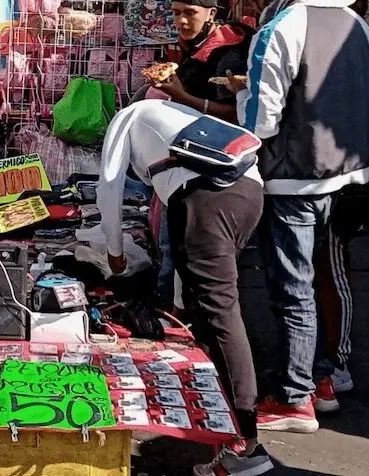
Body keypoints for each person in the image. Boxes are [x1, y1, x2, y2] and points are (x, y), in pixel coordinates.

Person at [228, 0, 369, 433]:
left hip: (295, 177)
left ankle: (295, 399)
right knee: (329, 277)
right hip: (350, 173)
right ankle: (326, 376)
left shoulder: (280, 29)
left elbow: (261, 122)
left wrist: (240, 92)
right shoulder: (356, 23)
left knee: (293, 287)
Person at [97, 100, 272, 476]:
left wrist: (115, 254)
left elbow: (108, 185)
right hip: (249, 192)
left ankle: (247, 443)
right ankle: (225, 428)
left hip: (207, 201)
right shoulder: (178, 114)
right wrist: (179, 300)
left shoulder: (127, 118)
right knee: (208, 307)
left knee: (219, 310)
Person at [146, 0, 249, 123]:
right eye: (176, 13)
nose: (181, 20)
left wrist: (182, 97)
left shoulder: (229, 53)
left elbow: (235, 114)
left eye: (190, 13)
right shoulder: (193, 43)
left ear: (211, 14)